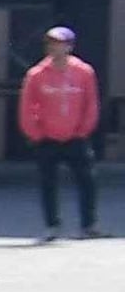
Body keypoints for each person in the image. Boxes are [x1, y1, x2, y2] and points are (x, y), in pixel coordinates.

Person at [19, 20, 100, 237]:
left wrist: (83, 129)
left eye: (60, 44)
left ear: (69, 46)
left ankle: (88, 225)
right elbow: (27, 106)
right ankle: (52, 225)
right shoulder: (36, 74)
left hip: (76, 137)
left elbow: (91, 103)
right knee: (48, 183)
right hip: (47, 138)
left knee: (87, 180)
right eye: (51, 43)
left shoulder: (84, 72)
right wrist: (35, 133)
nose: (55, 48)